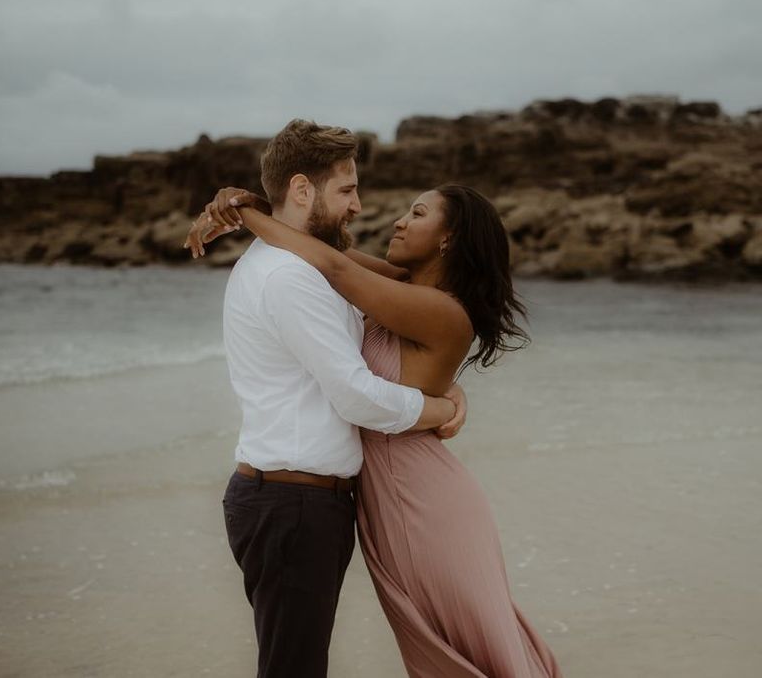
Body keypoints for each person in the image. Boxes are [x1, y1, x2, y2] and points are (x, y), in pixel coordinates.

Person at [190, 169, 564, 676]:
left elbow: (335, 270)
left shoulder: (443, 312)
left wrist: (247, 216)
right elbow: (325, 253)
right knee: (443, 644)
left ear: (449, 238)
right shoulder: (401, 289)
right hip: (386, 494)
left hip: (421, 499)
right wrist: (249, 201)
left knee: (464, 642)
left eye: (417, 213)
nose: (397, 221)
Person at [185, 120, 467, 678]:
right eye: (347, 190)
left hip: (300, 502)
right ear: (302, 189)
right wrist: (442, 411)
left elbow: (380, 343)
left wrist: (449, 386)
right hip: (293, 505)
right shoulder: (289, 278)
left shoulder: (307, 269)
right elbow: (357, 397)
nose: (360, 206)